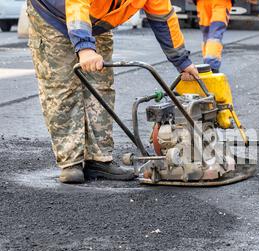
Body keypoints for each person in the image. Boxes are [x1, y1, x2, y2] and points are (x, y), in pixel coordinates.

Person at [27, 0, 199, 184]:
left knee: (101, 87)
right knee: (62, 88)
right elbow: (77, 3)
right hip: (52, 15)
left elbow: (162, 17)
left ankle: (98, 159)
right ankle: (71, 162)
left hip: (96, 21)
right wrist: (85, 48)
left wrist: (182, 62)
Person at [195, 0, 233, 73]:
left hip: (202, 2)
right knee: (214, 35)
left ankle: (206, 67)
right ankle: (211, 66)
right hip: (220, 2)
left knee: (206, 34)